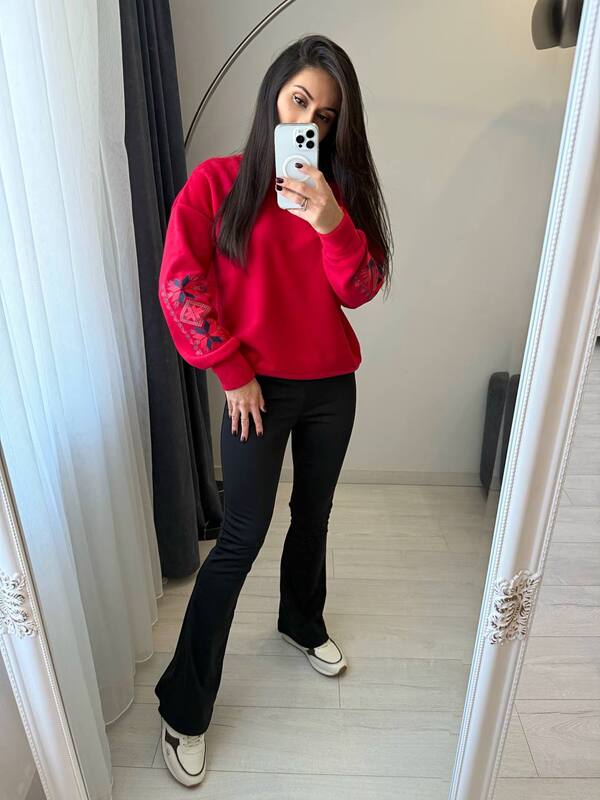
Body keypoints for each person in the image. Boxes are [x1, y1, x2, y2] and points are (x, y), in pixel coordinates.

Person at [155, 33, 393, 788]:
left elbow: (361, 289)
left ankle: (300, 621)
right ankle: (183, 705)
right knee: (240, 539)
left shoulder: (337, 196)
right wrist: (231, 370)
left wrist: (330, 222)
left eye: (326, 116)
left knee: (314, 514)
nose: (310, 124)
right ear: (272, 98)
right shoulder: (216, 183)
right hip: (253, 390)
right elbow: (180, 284)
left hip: (331, 387)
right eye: (300, 102)